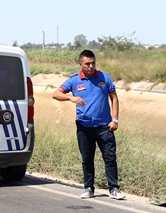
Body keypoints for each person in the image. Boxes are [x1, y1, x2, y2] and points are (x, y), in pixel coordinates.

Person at [52, 50, 125, 200]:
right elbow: (56, 94)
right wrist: (70, 98)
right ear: (80, 64)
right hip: (84, 127)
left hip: (105, 126)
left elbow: (114, 98)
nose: (91, 66)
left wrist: (115, 120)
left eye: (93, 63)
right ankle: (88, 188)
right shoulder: (74, 80)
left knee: (110, 157)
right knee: (87, 158)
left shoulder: (104, 77)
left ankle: (114, 188)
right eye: (87, 64)